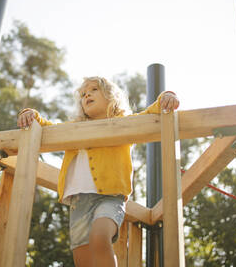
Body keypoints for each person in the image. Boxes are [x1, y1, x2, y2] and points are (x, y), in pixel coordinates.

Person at [17, 76, 179, 267]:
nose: (87, 95)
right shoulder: (74, 129)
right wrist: (30, 115)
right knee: (83, 260)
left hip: (109, 197)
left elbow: (149, 114)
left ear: (111, 96)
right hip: (78, 202)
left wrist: (166, 97)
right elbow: (47, 128)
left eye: (94, 90)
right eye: (84, 94)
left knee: (99, 237)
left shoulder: (122, 123)